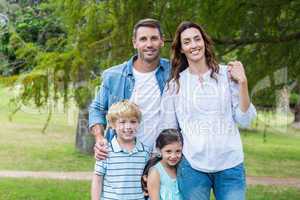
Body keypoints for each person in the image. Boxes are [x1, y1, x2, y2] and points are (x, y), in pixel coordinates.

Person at [161, 21, 257, 200]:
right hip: (192, 167)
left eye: (197, 39)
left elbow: (246, 119)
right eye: (187, 42)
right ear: (181, 49)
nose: (193, 45)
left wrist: (243, 82)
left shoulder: (227, 76)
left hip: (230, 165)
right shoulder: (174, 86)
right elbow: (169, 131)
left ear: (204, 42)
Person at [89, 18, 170, 160]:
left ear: (162, 41)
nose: (149, 44)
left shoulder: (173, 71)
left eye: (154, 38)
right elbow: (97, 108)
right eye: (143, 39)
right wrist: (99, 137)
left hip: (159, 158)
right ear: (135, 43)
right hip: (121, 157)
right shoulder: (113, 76)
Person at [91, 100, 151, 200]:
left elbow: (148, 182)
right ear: (113, 125)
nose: (128, 127)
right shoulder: (104, 151)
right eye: (122, 122)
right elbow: (97, 180)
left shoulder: (146, 152)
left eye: (133, 122)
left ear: (138, 123)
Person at [141, 129, 183, 200]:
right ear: (159, 150)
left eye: (178, 151)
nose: (173, 156)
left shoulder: (180, 167)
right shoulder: (155, 172)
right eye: (168, 151)